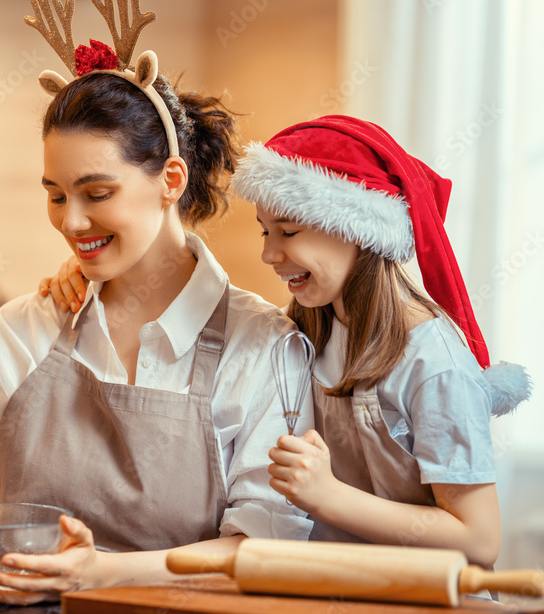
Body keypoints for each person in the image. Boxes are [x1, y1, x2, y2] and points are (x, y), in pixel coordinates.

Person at [0, 0, 314, 606]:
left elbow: (263, 549)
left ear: (170, 179)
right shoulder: (21, 330)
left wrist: (103, 575)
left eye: (97, 194)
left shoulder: (262, 346)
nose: (70, 222)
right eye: (55, 194)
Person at [228, 115, 532, 566]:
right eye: (265, 230)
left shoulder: (433, 363)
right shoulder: (308, 328)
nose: (269, 254)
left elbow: (480, 540)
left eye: (288, 231)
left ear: (357, 228)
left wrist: (328, 497)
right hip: (340, 602)